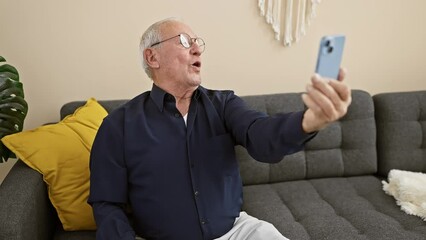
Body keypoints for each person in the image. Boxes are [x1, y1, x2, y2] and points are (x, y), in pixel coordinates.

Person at [88, 17, 352, 240]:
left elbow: (261, 136)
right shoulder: (118, 125)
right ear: (152, 57)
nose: (197, 50)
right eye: (184, 41)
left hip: (235, 232)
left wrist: (309, 121)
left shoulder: (224, 103)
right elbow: (107, 203)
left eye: (197, 43)